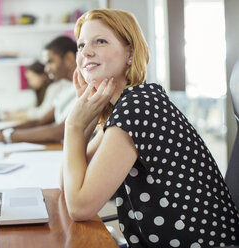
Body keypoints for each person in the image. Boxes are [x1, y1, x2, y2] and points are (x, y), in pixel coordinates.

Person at [61, 8, 239, 247]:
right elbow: (67, 187)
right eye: (81, 45)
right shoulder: (129, 105)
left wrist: (73, 125)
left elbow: (79, 206)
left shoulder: (137, 106)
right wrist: (87, 118)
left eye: (100, 41)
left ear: (130, 53)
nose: (86, 52)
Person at [0, 36, 77, 143]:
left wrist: (5, 136)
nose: (46, 69)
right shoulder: (65, 88)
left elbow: (60, 131)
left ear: (69, 58)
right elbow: (40, 122)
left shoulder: (82, 89)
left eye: (50, 62)